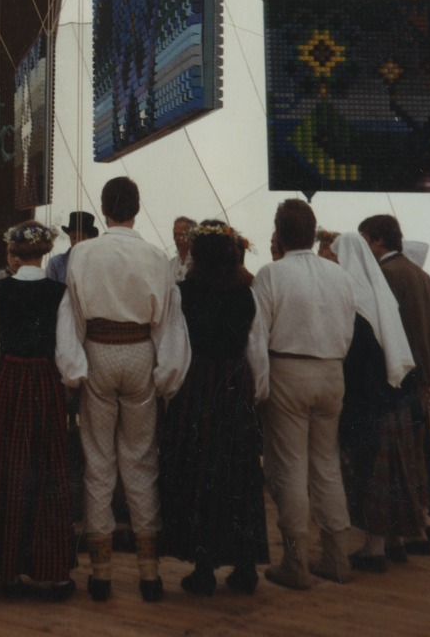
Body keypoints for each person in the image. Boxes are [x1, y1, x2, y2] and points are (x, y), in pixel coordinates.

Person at [58, 176, 190, 602]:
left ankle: (101, 574)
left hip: (98, 351)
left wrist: (74, 370)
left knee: (98, 459)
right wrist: (166, 376)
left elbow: (72, 315)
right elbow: (168, 321)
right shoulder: (156, 256)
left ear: (104, 209)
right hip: (139, 354)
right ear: (136, 208)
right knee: (141, 459)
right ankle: (149, 573)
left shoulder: (83, 253)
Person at [0, 220, 75, 597]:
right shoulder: (59, 292)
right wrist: (72, 382)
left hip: (7, 381)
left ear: (14, 251)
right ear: (46, 251)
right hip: (43, 383)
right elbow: (68, 354)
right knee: (42, 472)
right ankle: (49, 572)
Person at [247, 198, 356, 590]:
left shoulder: (271, 275)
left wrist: (260, 387)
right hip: (332, 371)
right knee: (326, 464)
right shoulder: (340, 275)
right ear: (313, 233)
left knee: (290, 467)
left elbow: (257, 337)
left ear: (279, 234)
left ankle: (296, 563)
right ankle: (337, 558)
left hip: (288, 371)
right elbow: (348, 329)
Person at [159, 220, 269, 596]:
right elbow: (256, 349)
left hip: (198, 386)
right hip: (235, 385)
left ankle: (203, 568)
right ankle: (245, 566)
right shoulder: (247, 295)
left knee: (200, 470)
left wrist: (167, 390)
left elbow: (175, 350)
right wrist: (257, 392)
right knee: (239, 472)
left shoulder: (182, 294)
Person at [330, 233, 425, 571]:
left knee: (372, 476)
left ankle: (374, 550)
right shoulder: (378, 295)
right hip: (396, 396)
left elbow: (355, 361)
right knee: (395, 474)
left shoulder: (355, 303)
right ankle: (394, 542)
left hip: (370, 402)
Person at [359, 213, 430, 542]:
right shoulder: (420, 274)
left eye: (365, 240)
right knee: (415, 452)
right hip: (421, 376)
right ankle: (419, 522)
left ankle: (404, 530)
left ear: (378, 240)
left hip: (397, 379)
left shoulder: (386, 275)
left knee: (396, 455)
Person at [47, 211, 99, 283]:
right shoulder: (56, 263)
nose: (77, 242)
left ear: (90, 238)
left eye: (81, 238)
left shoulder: (98, 263)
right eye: (73, 238)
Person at [170, 215, 197, 282]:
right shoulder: (171, 264)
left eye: (181, 235)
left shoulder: (198, 261)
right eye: (175, 235)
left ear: (191, 236)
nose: (177, 238)